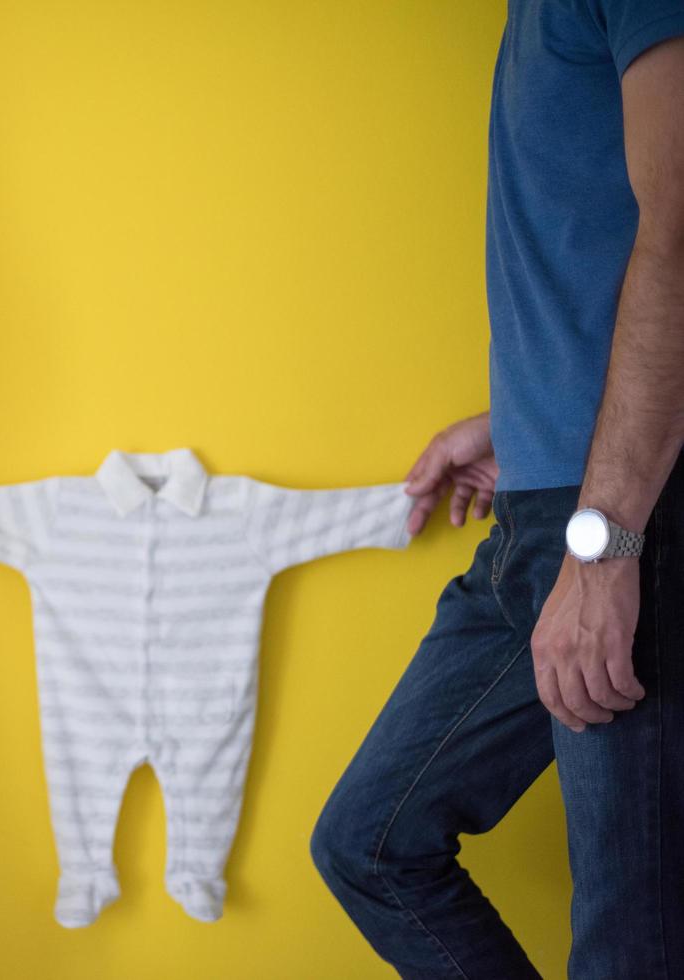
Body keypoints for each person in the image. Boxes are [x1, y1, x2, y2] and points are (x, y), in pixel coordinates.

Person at [308, 3, 684, 977]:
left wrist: (606, 545)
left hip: (624, 522)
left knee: (628, 946)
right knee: (370, 842)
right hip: (542, 505)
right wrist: (512, 416)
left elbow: (680, 230)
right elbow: (591, 251)